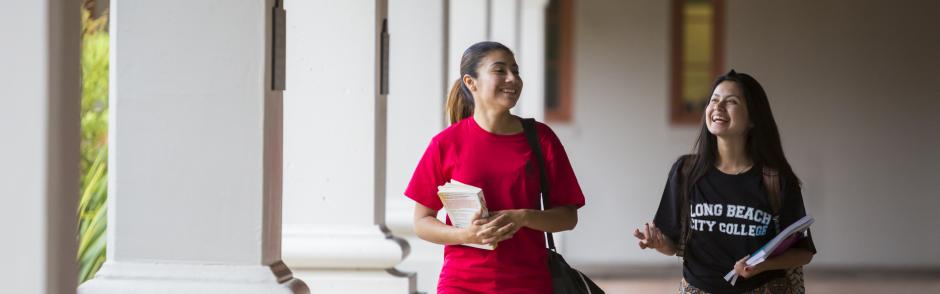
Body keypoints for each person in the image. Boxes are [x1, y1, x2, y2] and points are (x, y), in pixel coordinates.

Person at [404, 41, 585, 294]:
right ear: (471, 82)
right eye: (500, 70)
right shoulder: (445, 143)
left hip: (528, 283)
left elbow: (568, 217)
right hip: (461, 284)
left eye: (516, 70)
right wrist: (466, 235)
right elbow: (422, 222)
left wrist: (522, 217)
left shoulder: (541, 139)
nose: (512, 79)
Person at [634, 70, 817, 293]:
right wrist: (659, 244)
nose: (718, 107)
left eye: (731, 101)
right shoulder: (685, 172)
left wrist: (762, 265)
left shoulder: (776, 180)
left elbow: (803, 252)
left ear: (752, 119)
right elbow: (671, 245)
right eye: (714, 100)